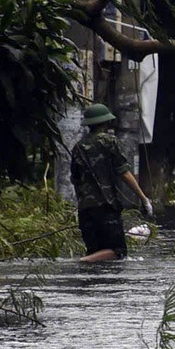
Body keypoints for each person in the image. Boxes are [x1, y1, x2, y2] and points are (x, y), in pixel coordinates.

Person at [70, 103, 154, 262]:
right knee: (118, 252)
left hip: (85, 210)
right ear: (106, 122)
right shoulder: (109, 141)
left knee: (96, 252)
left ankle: (87, 264)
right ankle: (80, 262)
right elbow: (124, 173)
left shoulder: (78, 147)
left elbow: (74, 179)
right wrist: (143, 198)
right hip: (106, 207)